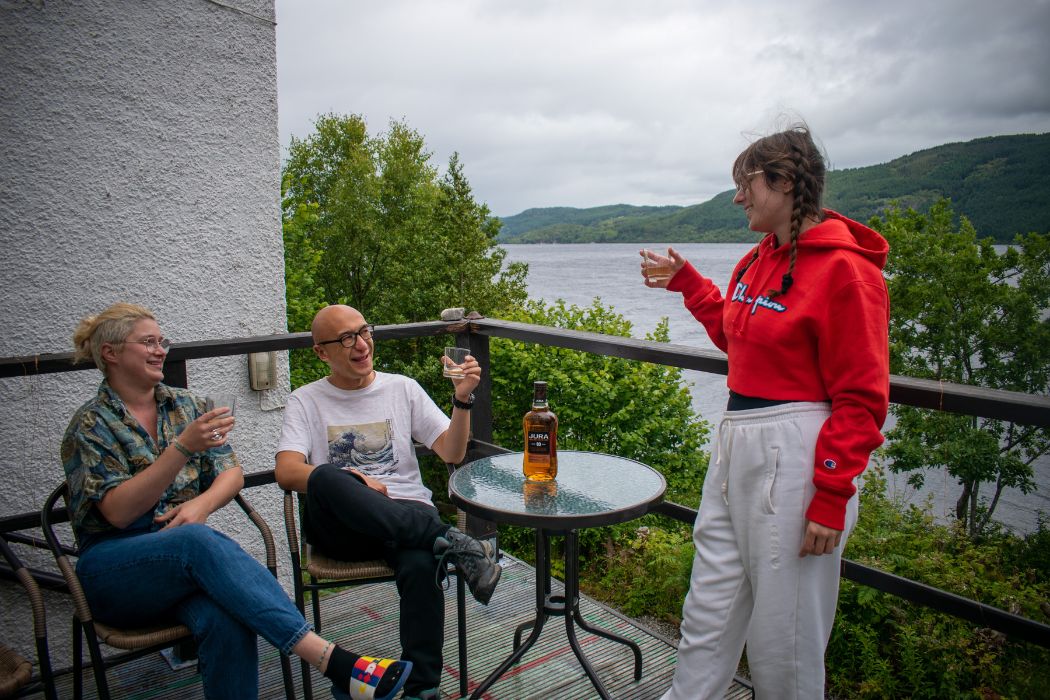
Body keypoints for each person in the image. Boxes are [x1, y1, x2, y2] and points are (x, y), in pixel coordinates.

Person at [642, 125, 890, 699]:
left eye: (745, 183)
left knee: (785, 641)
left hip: (796, 453)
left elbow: (861, 396)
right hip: (737, 442)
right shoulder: (758, 262)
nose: (737, 198)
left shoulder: (847, 272)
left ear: (783, 181)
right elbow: (740, 340)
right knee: (708, 612)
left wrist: (832, 494)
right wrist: (689, 285)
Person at [61, 302, 412, 700]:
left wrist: (202, 505)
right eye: (148, 342)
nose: (161, 350)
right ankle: (332, 661)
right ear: (111, 353)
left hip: (188, 567)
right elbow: (119, 513)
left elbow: (232, 473)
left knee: (226, 618)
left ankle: (338, 668)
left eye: (163, 341)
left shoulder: (186, 406)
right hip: (116, 570)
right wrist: (181, 448)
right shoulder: (91, 424)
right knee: (196, 541)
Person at [275, 304, 502, 700]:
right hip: (344, 528)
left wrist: (462, 399)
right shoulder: (305, 401)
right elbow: (287, 471)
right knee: (327, 474)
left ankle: (421, 689)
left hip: (406, 517)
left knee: (421, 562)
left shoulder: (402, 388)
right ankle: (457, 543)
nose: (361, 345)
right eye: (346, 338)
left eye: (364, 332)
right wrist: (353, 478)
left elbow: (451, 451)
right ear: (321, 352)